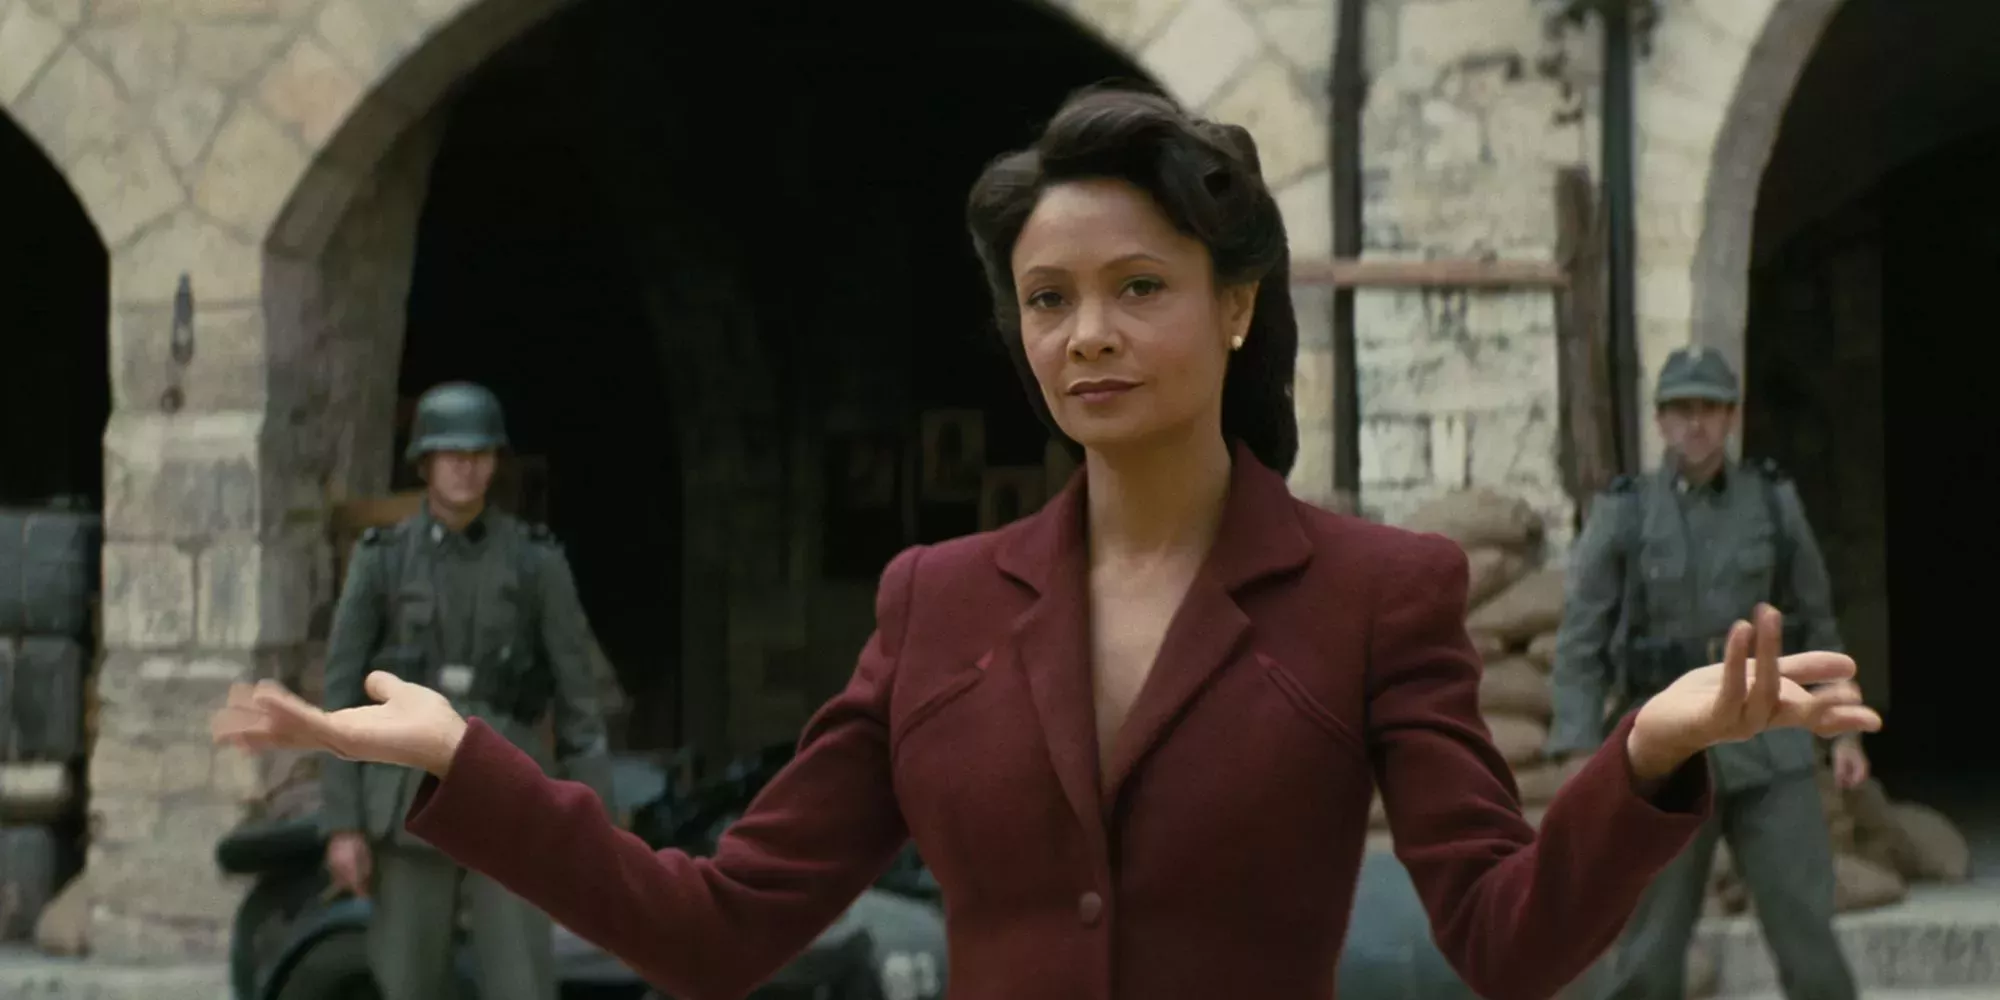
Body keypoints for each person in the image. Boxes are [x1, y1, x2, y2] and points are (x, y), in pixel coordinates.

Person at [214, 89, 1878, 1000]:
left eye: (1139, 287)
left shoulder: (1381, 594)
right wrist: (467, 766)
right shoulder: (935, 605)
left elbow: (1504, 940)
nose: (1087, 334)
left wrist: (1651, 753)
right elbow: (714, 926)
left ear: (1236, 308)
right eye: (1048, 298)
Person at [1548, 346, 1868, 1000]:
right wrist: (1580, 747)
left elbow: (1818, 622)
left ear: (1731, 418)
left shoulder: (1773, 503)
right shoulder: (1627, 510)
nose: (1695, 424)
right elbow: (1582, 639)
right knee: (1649, 949)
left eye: (1710, 409)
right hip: (1667, 747)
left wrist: (1844, 732)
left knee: (1808, 935)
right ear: (1661, 421)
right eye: (1681, 409)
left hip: (1767, 741)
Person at [318, 381, 618, 1000]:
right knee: (406, 982)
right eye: (451, 453)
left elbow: (580, 705)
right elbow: (341, 695)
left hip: (508, 793)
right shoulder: (383, 559)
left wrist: (597, 827)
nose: (465, 466)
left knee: (522, 983)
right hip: (407, 799)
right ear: (424, 462)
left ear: (495, 463)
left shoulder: (535, 561)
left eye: (479, 453)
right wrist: (343, 824)